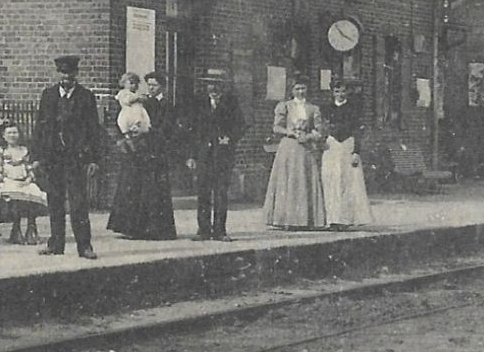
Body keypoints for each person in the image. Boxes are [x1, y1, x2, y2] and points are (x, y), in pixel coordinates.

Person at [34, 54, 105, 258]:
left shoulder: (85, 97)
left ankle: (84, 246)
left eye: (70, 75)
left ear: (76, 75)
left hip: (76, 158)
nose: (66, 80)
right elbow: (40, 127)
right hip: (53, 157)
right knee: (54, 202)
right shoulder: (48, 95)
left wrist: (94, 159)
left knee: (78, 203)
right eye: (63, 75)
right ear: (59, 75)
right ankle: (56, 244)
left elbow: (93, 130)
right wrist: (37, 157)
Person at [108, 70, 178, 240]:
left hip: (157, 151)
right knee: (138, 189)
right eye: (150, 85)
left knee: (156, 191)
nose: (151, 89)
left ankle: (158, 229)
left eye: (155, 85)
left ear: (163, 87)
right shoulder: (144, 103)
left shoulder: (167, 105)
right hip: (141, 151)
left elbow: (168, 129)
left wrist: (149, 130)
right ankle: (135, 228)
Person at [187, 68, 247, 241]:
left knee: (221, 192)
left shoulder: (231, 103)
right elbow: (192, 131)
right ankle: (203, 230)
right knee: (203, 192)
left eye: (217, 85)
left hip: (223, 156)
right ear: (206, 86)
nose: (213, 89)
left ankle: (220, 230)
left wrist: (230, 138)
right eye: (210, 84)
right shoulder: (198, 103)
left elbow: (241, 126)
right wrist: (191, 156)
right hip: (203, 155)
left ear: (223, 87)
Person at [261, 80, 328, 230]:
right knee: (288, 181)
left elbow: (319, 130)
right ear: (292, 90)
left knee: (304, 180)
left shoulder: (313, 108)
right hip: (289, 147)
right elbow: (276, 127)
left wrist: (309, 136)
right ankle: (285, 219)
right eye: (297, 88)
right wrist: (289, 132)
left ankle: (306, 219)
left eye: (303, 88)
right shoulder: (285, 106)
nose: (300, 92)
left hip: (305, 148)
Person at [320, 81, 373, 229]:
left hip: (347, 145)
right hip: (332, 146)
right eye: (337, 91)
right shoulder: (326, 109)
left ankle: (346, 219)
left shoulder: (354, 109)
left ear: (347, 92)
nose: (340, 94)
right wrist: (322, 141)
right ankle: (332, 219)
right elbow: (321, 127)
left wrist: (356, 152)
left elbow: (357, 131)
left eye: (343, 91)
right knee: (331, 180)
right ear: (332, 93)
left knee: (348, 182)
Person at [0, 122, 47, 245]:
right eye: (9, 133)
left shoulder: (24, 150)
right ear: (3, 135)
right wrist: (2, 179)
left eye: (15, 132)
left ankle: (31, 228)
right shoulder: (0, 150)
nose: (12, 135)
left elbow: (29, 167)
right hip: (8, 181)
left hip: (24, 181)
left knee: (32, 195)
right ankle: (16, 229)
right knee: (15, 199)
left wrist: (29, 179)